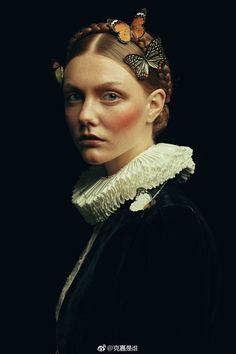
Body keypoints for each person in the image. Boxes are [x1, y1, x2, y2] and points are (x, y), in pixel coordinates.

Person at [52, 8, 221, 354]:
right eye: (75, 96)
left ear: (154, 105)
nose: (85, 115)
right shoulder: (104, 207)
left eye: (110, 95)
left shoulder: (169, 219)